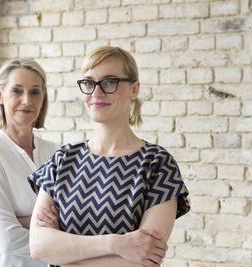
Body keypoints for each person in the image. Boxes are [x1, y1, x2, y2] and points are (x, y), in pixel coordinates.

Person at [28, 46, 190, 267]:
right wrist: (117, 244)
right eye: (88, 82)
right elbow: (39, 247)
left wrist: (66, 254)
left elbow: (143, 260)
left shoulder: (157, 163)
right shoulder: (63, 159)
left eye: (110, 82)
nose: (96, 92)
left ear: (135, 89)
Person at [0, 58, 59, 267]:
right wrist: (58, 233)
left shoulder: (55, 152)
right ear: (0, 95)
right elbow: (7, 239)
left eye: (35, 92)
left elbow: (74, 217)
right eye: (17, 91)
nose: (27, 100)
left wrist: (22, 222)